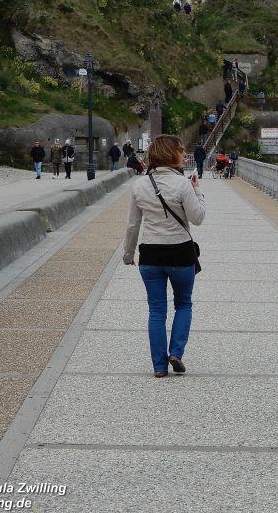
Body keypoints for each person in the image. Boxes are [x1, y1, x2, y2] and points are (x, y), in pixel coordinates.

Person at [122, 135, 206, 377]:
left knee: (157, 310)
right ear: (173, 154)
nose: (183, 154)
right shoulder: (182, 185)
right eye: (180, 150)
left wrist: (128, 254)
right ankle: (176, 353)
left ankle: (159, 367)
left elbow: (132, 225)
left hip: (150, 253)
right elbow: (198, 218)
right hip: (180, 252)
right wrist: (197, 192)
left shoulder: (140, 185)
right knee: (183, 303)